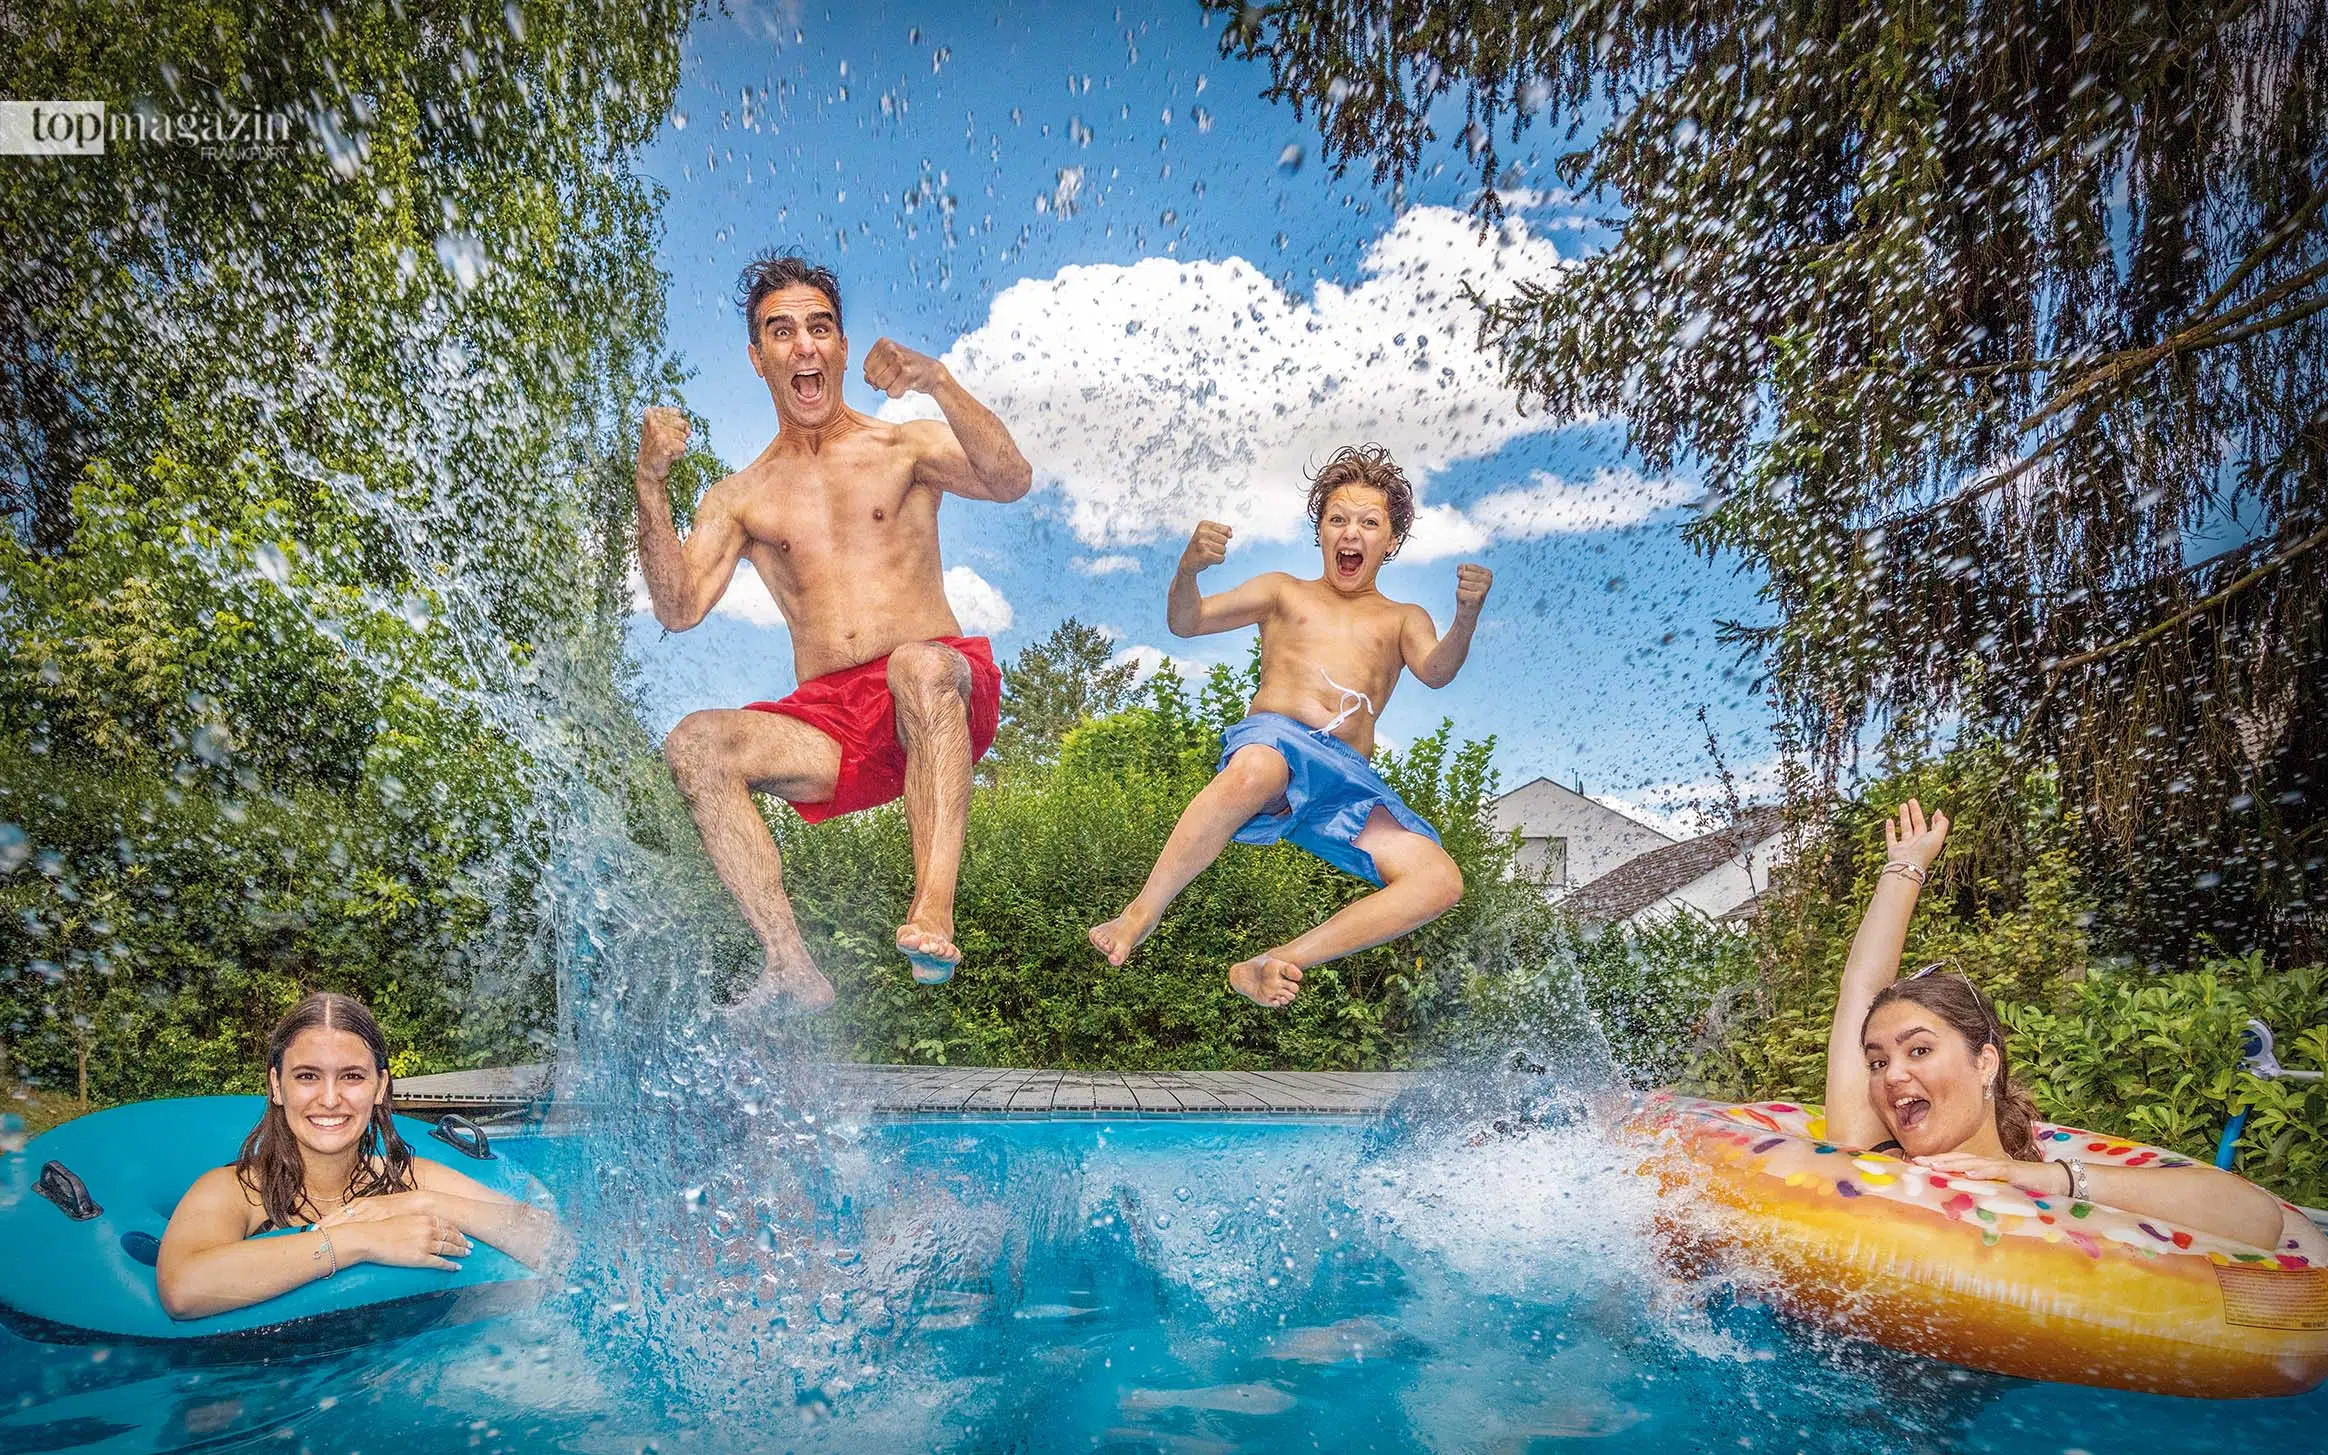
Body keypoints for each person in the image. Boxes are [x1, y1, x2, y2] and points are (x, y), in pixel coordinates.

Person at [636, 254, 1033, 1013]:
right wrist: (650, 485)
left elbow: (1011, 478)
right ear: (759, 359)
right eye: (781, 332)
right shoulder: (740, 495)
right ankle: (790, 967)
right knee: (695, 743)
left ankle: (934, 908)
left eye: (820, 328)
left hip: (939, 690)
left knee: (916, 667)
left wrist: (939, 381)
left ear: (842, 347)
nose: (805, 345)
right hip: (833, 722)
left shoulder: (904, 447)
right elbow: (677, 606)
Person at [1088, 444, 1492, 1008]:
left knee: (1440, 879)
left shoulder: (1403, 617)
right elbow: (1187, 621)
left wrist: (1466, 617)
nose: (1351, 532)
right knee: (1258, 765)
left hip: (1345, 783)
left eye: (1369, 523)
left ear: (1391, 540)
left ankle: (1272, 962)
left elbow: (1437, 671)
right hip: (1276, 744)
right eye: (1338, 519)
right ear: (1321, 530)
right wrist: (1188, 570)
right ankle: (1141, 911)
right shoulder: (1284, 592)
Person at [1824, 799, 2288, 1249]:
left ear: (1985, 1062)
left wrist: (2052, 1179)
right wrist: (1904, 869)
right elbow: (1862, 990)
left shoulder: (2060, 1194)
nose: (1893, 1075)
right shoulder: (1869, 1158)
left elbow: (2257, 1219)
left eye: (1919, 1050)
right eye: (1877, 1061)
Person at [156, 992, 561, 1320]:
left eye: (351, 1076)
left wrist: (424, 1202)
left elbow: (555, 1246)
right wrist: (359, 1241)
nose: (330, 1099)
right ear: (277, 1086)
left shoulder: (413, 1180)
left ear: (380, 1086)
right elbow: (183, 1289)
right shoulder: (234, 1192)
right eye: (307, 1076)